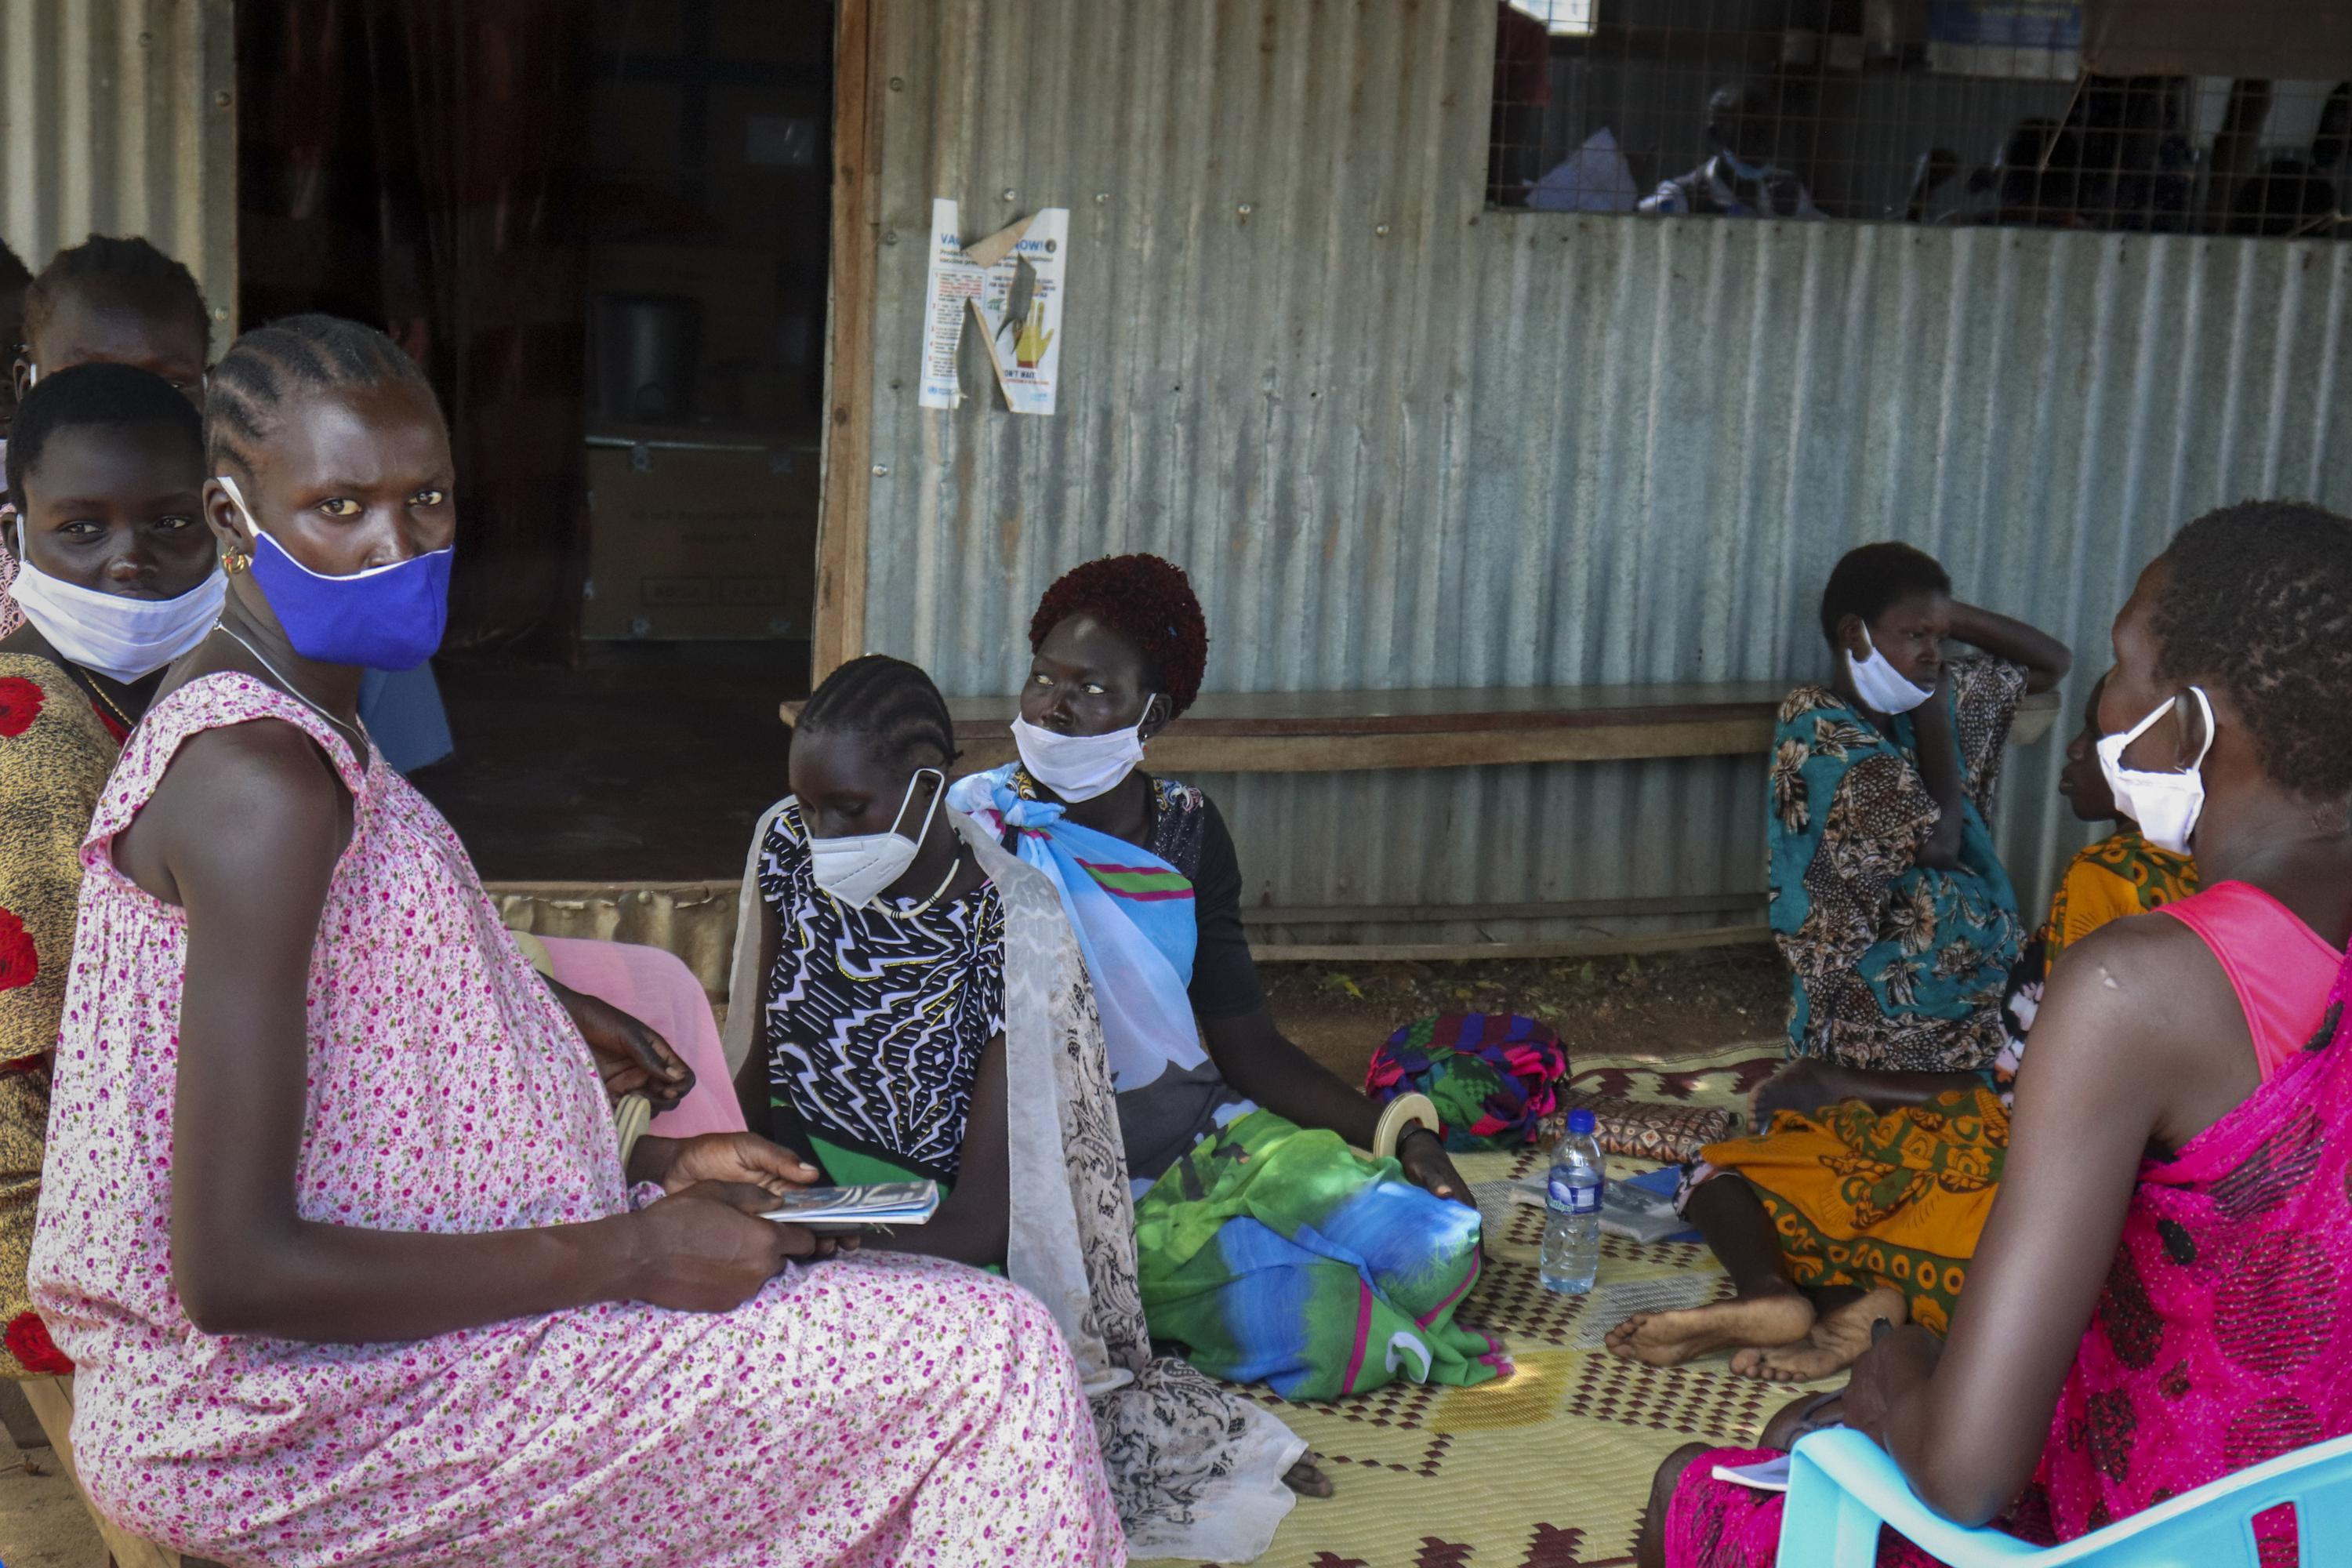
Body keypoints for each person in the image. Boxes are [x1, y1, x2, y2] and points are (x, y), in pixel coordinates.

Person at [27, 315, 1120, 1566]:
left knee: (906, 1334)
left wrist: (641, 1164)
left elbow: (362, 1076)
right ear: (233, 520)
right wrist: (630, 1250)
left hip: (366, 1363)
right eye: (340, 507)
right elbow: (234, 1272)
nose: (399, 546)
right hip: (287, 1419)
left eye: (426, 498)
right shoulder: (260, 781)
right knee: (992, 1362)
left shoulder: (294, 728)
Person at [1642, 499, 2352, 1566]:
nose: (2105, 703)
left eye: (2127, 665)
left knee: (1696, 1491)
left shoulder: (2141, 985)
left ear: (2195, 721)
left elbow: (1968, 1475)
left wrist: (1893, 1388)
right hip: (2328, 1500)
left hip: (2169, 1527)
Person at [724, 653, 1312, 1563]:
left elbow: (979, 1221)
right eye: (808, 806)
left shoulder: (1012, 921)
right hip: (794, 1204)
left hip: (918, 1241)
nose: (823, 831)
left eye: (848, 809)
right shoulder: (787, 846)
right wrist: (737, 1194)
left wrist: (797, 1227)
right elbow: (759, 1072)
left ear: (929, 787)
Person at [945, 555, 1499, 1408]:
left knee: (1440, 1241)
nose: (1053, 705)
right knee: (1322, 1320)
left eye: (1090, 688)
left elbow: (1247, 1041)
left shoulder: (1188, 831)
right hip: (1058, 1179)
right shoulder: (970, 828)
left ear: (1152, 712)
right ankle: (1201, 1280)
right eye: (1042, 677)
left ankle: (1224, 1261)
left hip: (1201, 1136)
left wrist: (1401, 1132)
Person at [1605, 673, 2182, 1385]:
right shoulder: (2229, 879)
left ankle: (1775, 1292)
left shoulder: (2109, 879)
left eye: (2094, 737)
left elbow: (2034, 1093)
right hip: (2132, 1216)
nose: (2070, 750)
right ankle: (1858, 1309)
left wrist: (1854, 1084)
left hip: (2031, 1201)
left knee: (1723, 1167)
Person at [0, 364, 225, 1377]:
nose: (128, 562)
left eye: (172, 525)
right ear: (21, 532)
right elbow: (49, 1082)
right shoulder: (26, 732)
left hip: (162, 1172)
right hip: (49, 1235)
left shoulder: (194, 685)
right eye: (81, 530)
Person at [1764, 542, 2068, 1078]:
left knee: (2055, 1064)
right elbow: (1938, 845)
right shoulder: (1817, 718)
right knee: (2010, 1084)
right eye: (1914, 635)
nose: (1933, 653)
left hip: (1972, 978)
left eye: (1939, 637)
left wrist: (1943, 614)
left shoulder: (1923, 697)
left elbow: (2052, 663)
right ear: (1853, 634)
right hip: (1879, 998)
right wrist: (1933, 717)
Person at [1638, 82, 1824, 220]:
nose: (1761, 136)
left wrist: (1784, 217)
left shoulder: (1789, 191)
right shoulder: (1684, 196)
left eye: (1768, 126)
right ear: (1716, 134)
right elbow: (1634, 225)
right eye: (1747, 126)